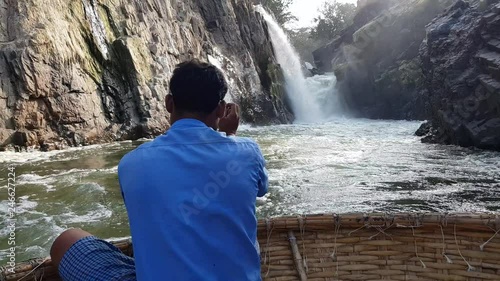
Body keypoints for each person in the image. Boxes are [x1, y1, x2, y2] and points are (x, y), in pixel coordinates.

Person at [50, 59, 269, 281]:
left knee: (67, 240)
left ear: (168, 103)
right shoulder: (248, 152)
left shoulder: (131, 163)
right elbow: (259, 189)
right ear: (221, 109)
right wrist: (230, 135)